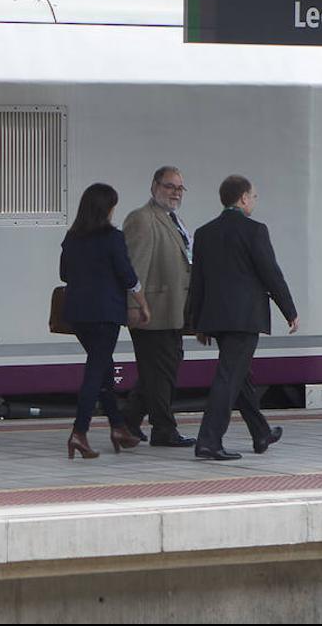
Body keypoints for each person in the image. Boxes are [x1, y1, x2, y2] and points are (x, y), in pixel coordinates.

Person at [188, 175, 296, 461]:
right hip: (245, 317)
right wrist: (290, 311)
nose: (255, 201)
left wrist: (197, 321)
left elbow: (197, 280)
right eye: (254, 196)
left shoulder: (204, 232)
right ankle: (209, 441)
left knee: (238, 375)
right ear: (244, 198)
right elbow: (271, 273)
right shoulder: (254, 231)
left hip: (217, 317)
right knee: (228, 377)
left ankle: (261, 432)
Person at [59, 183, 152, 459]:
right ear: (107, 208)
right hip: (105, 314)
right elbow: (127, 275)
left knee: (104, 369)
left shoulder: (72, 237)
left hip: (77, 314)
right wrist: (143, 304)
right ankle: (79, 432)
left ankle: (118, 426)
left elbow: (64, 274)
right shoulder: (112, 237)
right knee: (95, 371)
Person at [121, 167, 197, 448]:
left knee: (161, 368)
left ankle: (128, 421)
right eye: (169, 186)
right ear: (154, 186)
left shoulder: (173, 218)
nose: (175, 192)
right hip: (151, 310)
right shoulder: (142, 219)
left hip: (172, 310)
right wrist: (133, 305)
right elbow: (134, 266)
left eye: (179, 188)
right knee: (160, 371)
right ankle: (163, 428)